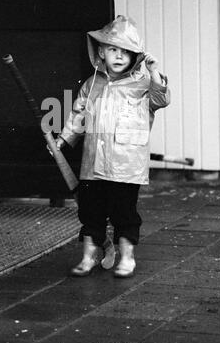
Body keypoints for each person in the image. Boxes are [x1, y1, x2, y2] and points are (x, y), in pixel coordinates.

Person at [49, 15, 170, 278]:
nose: (118, 56)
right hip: (93, 163)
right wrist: (62, 140)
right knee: (90, 211)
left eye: (125, 52)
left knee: (123, 212)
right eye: (112, 49)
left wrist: (154, 71)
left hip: (126, 166)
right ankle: (89, 255)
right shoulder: (92, 84)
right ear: (101, 52)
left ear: (135, 56)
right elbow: (78, 117)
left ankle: (126, 257)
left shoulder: (143, 85)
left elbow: (161, 100)